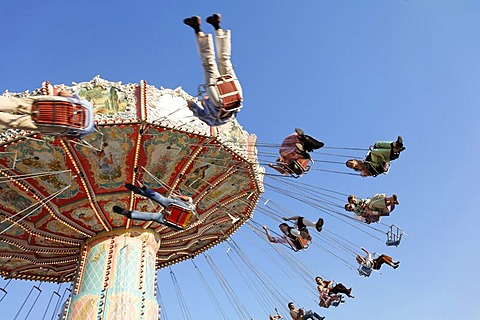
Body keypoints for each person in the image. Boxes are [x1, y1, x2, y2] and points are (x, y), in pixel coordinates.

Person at [184, 13, 242, 126]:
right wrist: (187, 103)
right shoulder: (212, 121)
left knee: (225, 60)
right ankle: (197, 29)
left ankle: (217, 26)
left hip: (237, 96)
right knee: (209, 64)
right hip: (220, 102)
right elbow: (193, 106)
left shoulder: (232, 114)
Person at [0, 91, 94, 138]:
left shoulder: (86, 104)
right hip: (54, 124)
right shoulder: (85, 131)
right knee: (14, 123)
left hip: (48, 104)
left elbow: (62, 93)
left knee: (15, 103)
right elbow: (66, 136)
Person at [113, 183, 198, 229]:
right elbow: (174, 228)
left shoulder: (193, 207)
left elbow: (187, 199)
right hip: (173, 220)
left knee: (161, 199)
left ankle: (142, 191)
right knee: (152, 216)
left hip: (182, 208)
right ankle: (129, 214)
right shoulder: (185, 226)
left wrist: (177, 197)